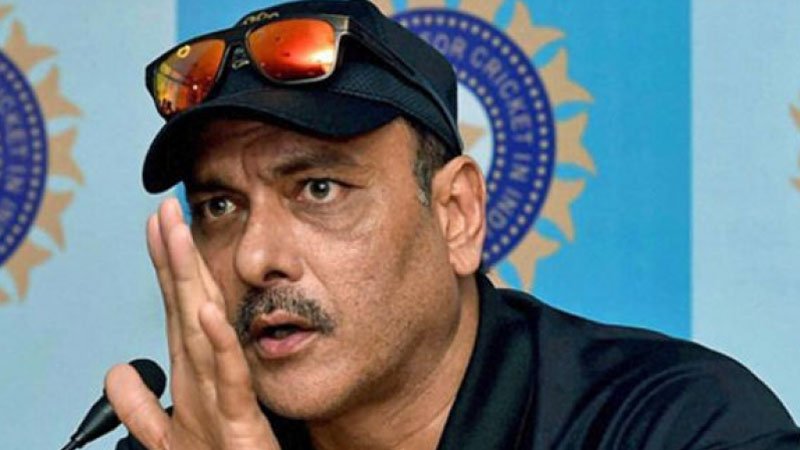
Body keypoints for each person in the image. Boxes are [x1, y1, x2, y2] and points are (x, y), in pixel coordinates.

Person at [107, 0, 800, 449]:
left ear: (457, 215)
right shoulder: (193, 442)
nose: (254, 258)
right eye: (220, 207)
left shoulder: (675, 426)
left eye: (318, 189)